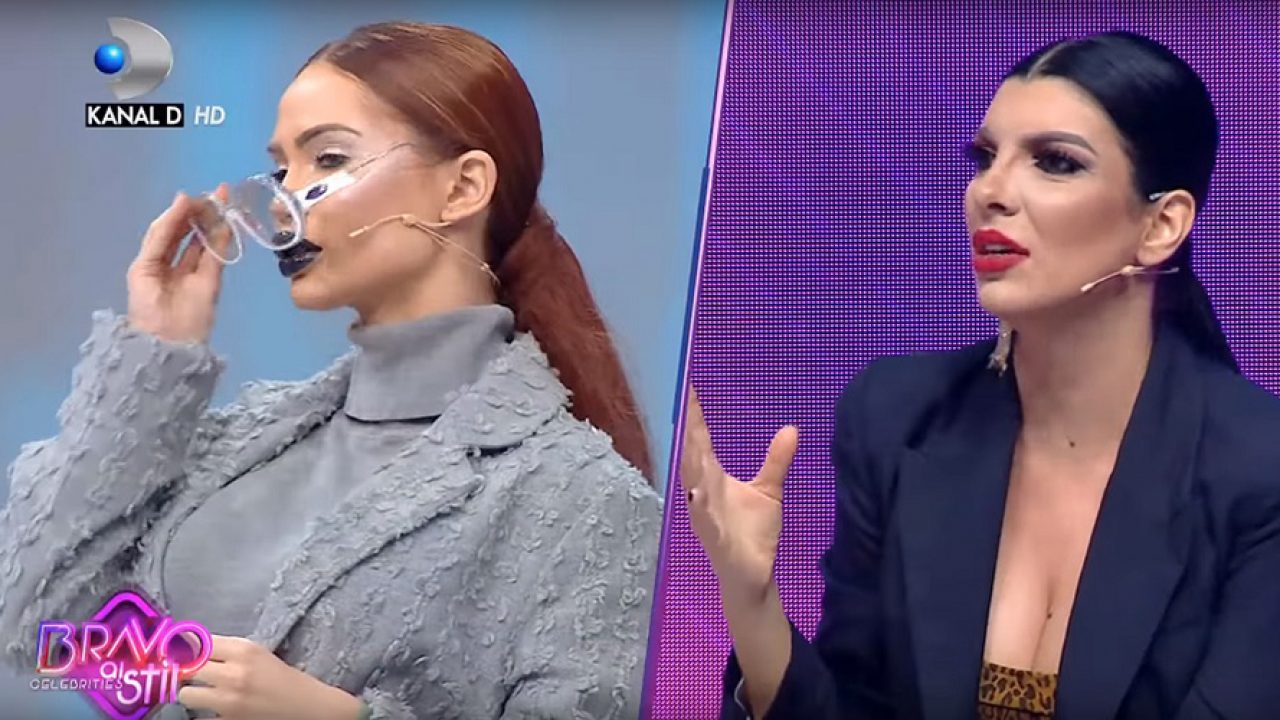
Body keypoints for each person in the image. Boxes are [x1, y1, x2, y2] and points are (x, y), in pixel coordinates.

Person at [0, 21, 662, 720]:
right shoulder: (236, 445)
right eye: (282, 169)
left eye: (328, 159)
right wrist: (155, 355)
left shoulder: (582, 496)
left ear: (463, 187)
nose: (282, 202)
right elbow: (35, 623)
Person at [682, 31, 1280, 719]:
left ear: (1161, 225)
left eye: (1055, 162)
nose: (990, 192)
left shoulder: (1259, 472)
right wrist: (752, 602)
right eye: (986, 157)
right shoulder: (897, 419)